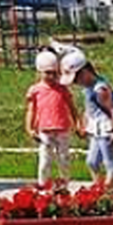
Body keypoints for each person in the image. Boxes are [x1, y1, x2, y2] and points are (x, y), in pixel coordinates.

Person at [61, 49, 113, 189]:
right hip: (94, 130)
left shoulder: (100, 89)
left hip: (106, 130)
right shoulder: (88, 88)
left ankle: (108, 190)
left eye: (76, 79)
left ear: (85, 72)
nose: (75, 83)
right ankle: (98, 185)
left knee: (109, 162)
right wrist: (83, 124)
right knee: (91, 161)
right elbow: (89, 110)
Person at [26, 50, 79, 186]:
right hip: (44, 130)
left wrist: (78, 123)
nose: (51, 76)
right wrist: (30, 128)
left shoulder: (63, 88)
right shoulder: (35, 90)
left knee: (64, 159)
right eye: (47, 73)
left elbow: (72, 107)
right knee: (45, 160)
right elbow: (31, 110)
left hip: (62, 128)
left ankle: (64, 184)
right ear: (39, 72)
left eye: (54, 73)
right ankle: (43, 185)